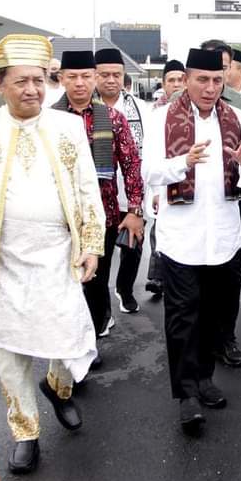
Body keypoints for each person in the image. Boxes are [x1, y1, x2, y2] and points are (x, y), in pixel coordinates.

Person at [0, 34, 104, 474]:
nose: (32, 89)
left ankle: (59, 388)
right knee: (11, 351)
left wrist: (91, 243)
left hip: (59, 256)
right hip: (1, 259)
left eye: (38, 80)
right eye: (21, 82)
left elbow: (87, 190)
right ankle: (25, 431)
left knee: (68, 336)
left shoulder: (68, 126)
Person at [142, 48, 241, 433]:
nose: (210, 88)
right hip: (182, 238)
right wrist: (184, 163)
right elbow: (150, 173)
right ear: (187, 79)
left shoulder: (237, 117)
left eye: (216, 81)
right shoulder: (161, 118)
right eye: (202, 80)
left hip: (224, 236)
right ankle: (187, 394)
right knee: (182, 317)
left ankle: (206, 379)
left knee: (216, 314)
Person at [53, 50, 143, 354]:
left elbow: (131, 165)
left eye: (86, 76)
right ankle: (68, 344)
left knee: (94, 281)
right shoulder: (49, 119)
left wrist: (134, 210)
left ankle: (87, 344)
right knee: (63, 284)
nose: (79, 83)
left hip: (101, 216)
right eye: (72, 77)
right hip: (57, 218)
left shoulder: (114, 119)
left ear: (94, 78)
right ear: (62, 78)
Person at [95, 48, 147, 315]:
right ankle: (101, 311)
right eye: (104, 74)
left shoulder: (141, 109)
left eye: (116, 74)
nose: (110, 80)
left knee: (133, 248)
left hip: (133, 195)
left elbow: (147, 153)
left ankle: (125, 290)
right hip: (98, 197)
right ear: (94, 76)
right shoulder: (81, 109)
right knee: (100, 257)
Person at [144, 59, 186, 296]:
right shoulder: (155, 113)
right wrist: (156, 191)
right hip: (162, 182)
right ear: (164, 84)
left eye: (181, 79)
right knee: (159, 229)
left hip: (188, 182)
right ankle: (157, 277)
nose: (177, 84)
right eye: (172, 80)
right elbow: (152, 158)